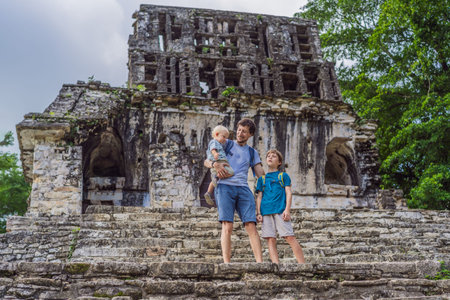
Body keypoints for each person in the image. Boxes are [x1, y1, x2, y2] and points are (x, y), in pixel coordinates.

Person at [204, 118, 264, 263]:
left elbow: (260, 174)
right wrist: (214, 164)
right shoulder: (226, 144)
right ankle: (227, 263)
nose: (240, 133)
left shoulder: (252, 152)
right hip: (225, 187)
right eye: (239, 130)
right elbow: (206, 161)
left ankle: (260, 263)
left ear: (250, 134)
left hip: (243, 189)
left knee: (251, 225)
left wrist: (270, 183)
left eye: (244, 131)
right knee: (227, 225)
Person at [255, 149, 305, 264]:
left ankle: (302, 264)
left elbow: (288, 193)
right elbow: (259, 197)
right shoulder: (262, 179)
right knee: (270, 239)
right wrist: (258, 213)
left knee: (289, 237)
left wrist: (287, 210)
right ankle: (276, 265)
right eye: (268, 156)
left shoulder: (283, 176)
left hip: (280, 210)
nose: (270, 157)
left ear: (279, 162)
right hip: (266, 211)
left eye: (273, 156)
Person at [204, 125, 234, 206]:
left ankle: (208, 192)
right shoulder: (214, 142)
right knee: (231, 172)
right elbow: (213, 149)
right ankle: (216, 177)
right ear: (216, 134)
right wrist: (215, 154)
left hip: (218, 162)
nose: (225, 139)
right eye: (224, 137)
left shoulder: (220, 143)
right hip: (218, 161)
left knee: (213, 181)